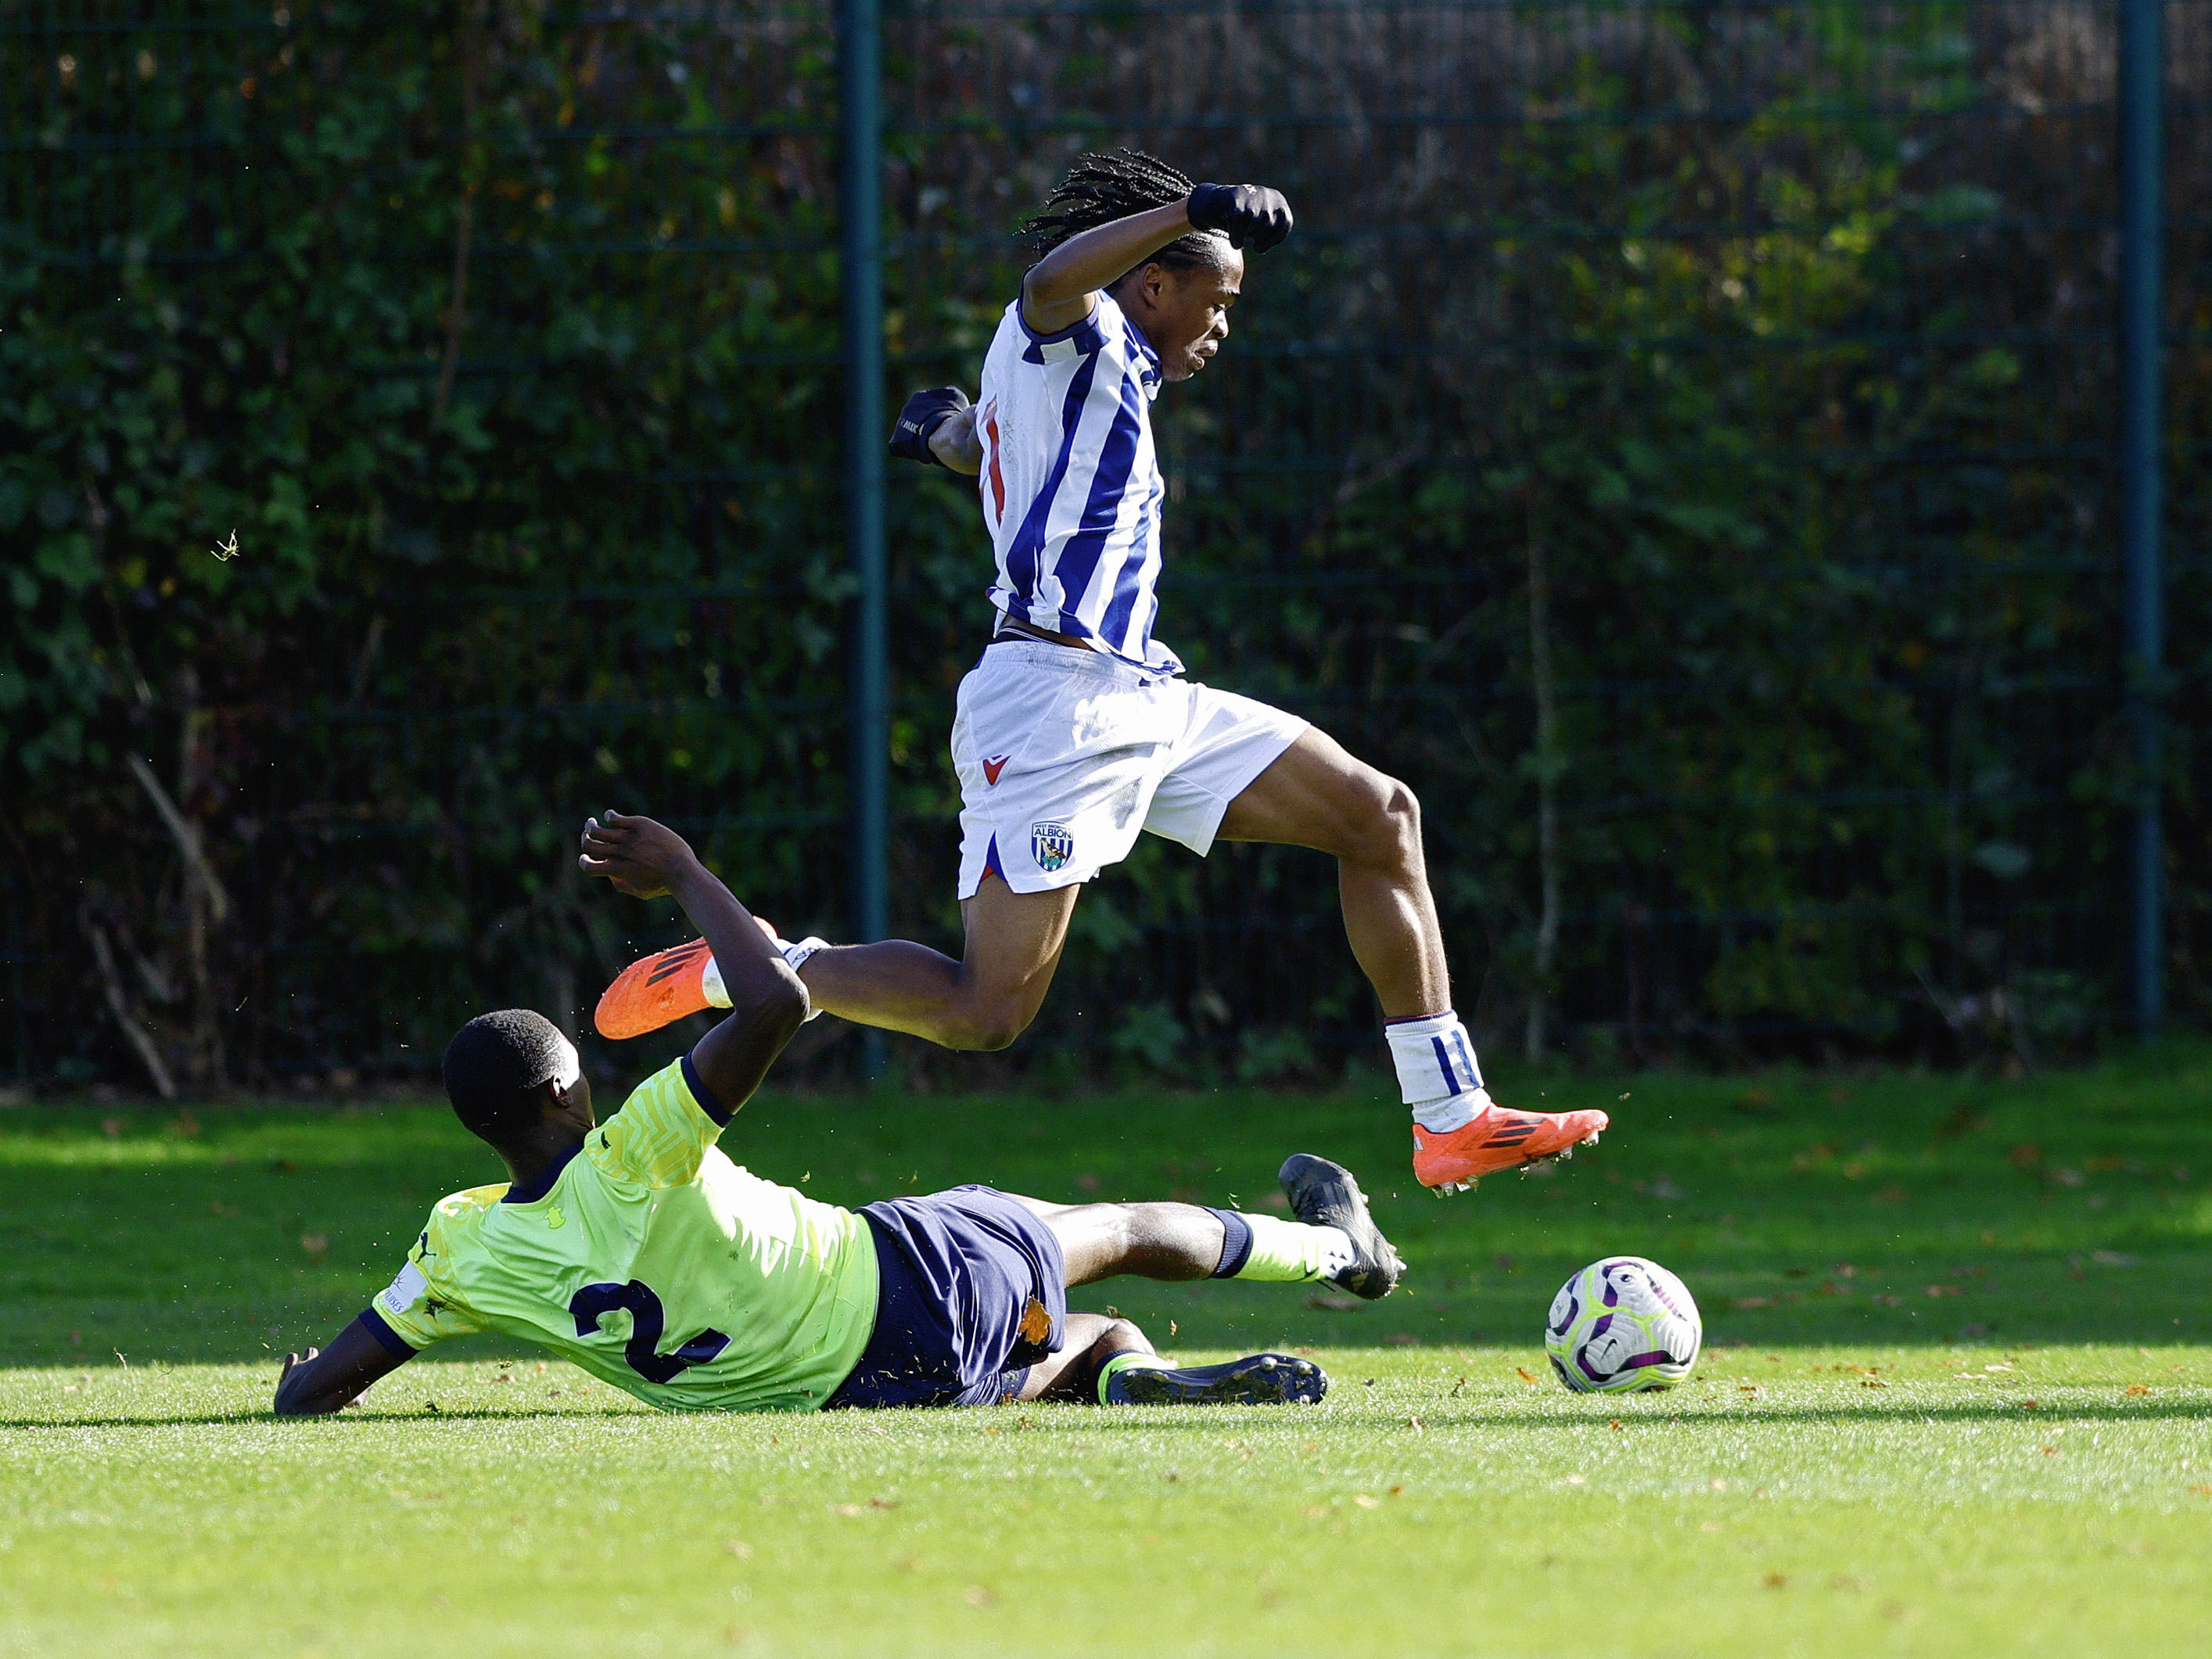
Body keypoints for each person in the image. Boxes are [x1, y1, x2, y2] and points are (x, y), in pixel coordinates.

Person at [593, 149, 1607, 1196]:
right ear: (1154, 281)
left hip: (1144, 694)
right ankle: (751, 964)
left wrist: (949, 437)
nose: (1222, 327)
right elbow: (1046, 289)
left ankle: (1450, 1117)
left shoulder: (1100, 374)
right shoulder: (1084, 325)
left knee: (1380, 815)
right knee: (987, 1014)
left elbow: (1017, 456)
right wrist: (1194, 206)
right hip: (1050, 710)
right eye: (1213, 300)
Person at [272, 813, 1402, 1418]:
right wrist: (681, 871)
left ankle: (1128, 1374)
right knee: (1113, 1227)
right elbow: (779, 994)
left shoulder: (461, 1245)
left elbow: (318, 1386)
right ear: (571, 1089)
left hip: (864, 1391)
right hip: (906, 1277)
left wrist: (300, 1375)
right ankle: (1338, 1250)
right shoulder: (636, 1150)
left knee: (1081, 1342)